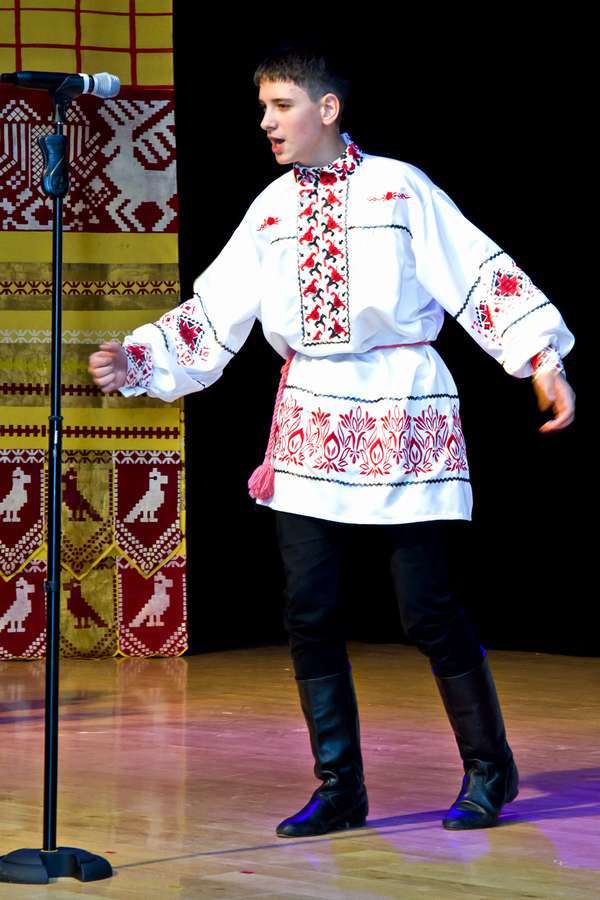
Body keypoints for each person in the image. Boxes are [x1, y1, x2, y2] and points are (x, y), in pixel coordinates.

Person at [88, 44, 575, 837]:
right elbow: (215, 308)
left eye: (281, 106)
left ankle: (490, 768)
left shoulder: (398, 187)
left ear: (327, 108)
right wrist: (140, 358)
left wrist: (541, 361)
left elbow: (477, 272)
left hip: (402, 407)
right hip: (312, 415)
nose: (267, 121)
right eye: (263, 108)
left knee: (428, 608)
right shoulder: (271, 209)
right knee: (309, 609)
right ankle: (340, 787)